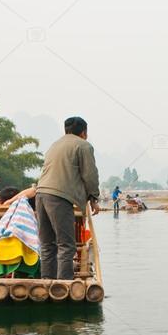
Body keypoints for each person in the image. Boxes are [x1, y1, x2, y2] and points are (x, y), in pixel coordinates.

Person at [35, 116, 100, 280]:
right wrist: (93, 197)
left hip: (40, 194)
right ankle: (63, 286)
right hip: (59, 197)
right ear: (84, 133)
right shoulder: (83, 145)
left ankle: (46, 283)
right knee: (66, 245)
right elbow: (90, 175)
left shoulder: (54, 145)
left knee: (47, 245)